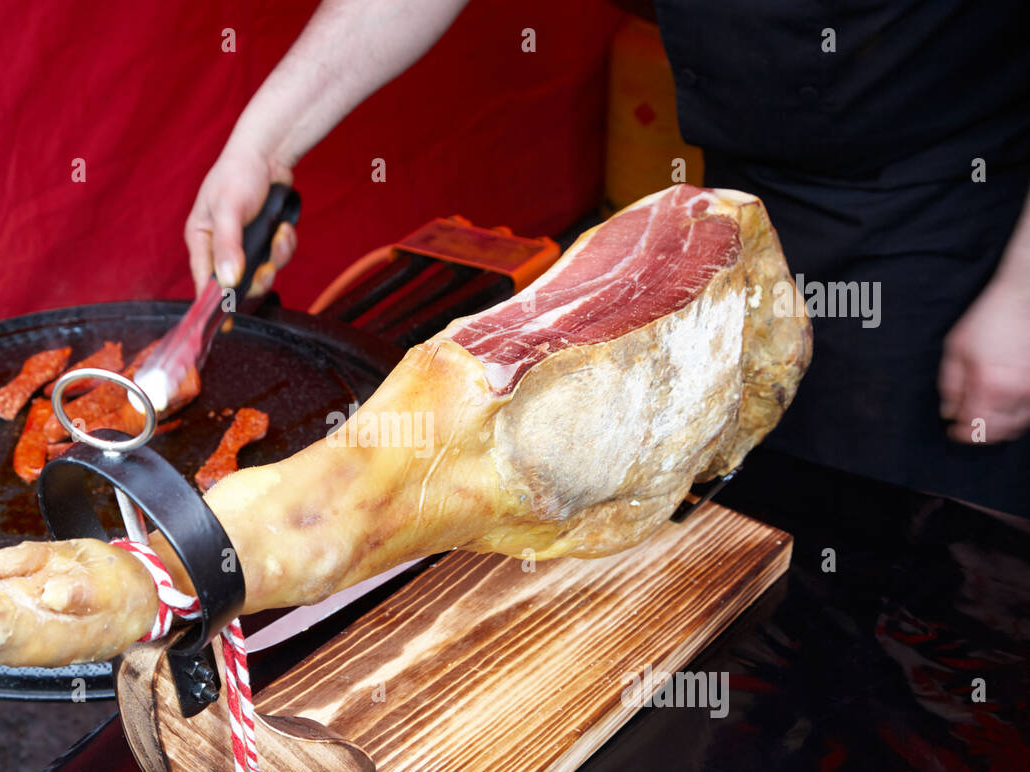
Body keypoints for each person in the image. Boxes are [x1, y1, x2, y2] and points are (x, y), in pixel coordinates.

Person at [184, 0, 1030, 516]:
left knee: (908, 588)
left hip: (951, 207)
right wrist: (265, 142)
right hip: (744, 196)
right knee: (751, 533)